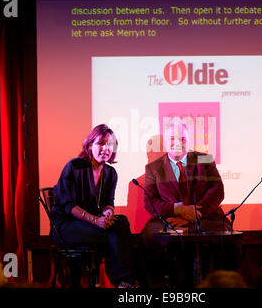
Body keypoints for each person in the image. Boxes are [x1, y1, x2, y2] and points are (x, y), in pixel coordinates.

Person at [140, 117, 231, 286]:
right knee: (148, 236)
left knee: (227, 234)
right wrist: (178, 210)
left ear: (189, 140)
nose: (177, 142)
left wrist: (193, 214)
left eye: (182, 138)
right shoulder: (153, 168)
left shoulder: (204, 159)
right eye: (172, 138)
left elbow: (217, 190)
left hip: (205, 217)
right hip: (169, 220)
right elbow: (150, 202)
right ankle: (157, 286)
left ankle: (223, 283)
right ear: (165, 142)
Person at [50, 124, 138, 288]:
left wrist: (107, 214)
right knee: (115, 238)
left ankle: (125, 282)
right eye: (101, 144)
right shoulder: (74, 167)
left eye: (110, 145)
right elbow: (69, 206)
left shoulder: (111, 173)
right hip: (66, 225)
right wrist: (95, 221)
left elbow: (108, 203)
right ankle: (126, 282)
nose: (106, 148)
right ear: (90, 145)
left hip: (92, 224)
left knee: (122, 222)